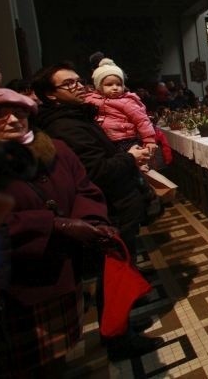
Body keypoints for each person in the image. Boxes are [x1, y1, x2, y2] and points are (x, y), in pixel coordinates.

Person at [0, 88, 118, 372]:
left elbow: (85, 189)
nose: (13, 120)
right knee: (23, 365)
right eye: (0, 115)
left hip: (62, 269)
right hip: (17, 282)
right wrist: (54, 225)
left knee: (55, 358)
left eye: (20, 112)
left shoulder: (56, 149)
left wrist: (91, 220)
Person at [31, 63, 151, 266]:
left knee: (123, 260)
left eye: (79, 81)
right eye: (68, 84)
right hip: (112, 206)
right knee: (118, 266)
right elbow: (96, 171)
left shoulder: (77, 115)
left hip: (118, 203)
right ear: (51, 94)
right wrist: (130, 157)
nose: (78, 86)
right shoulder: (65, 126)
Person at [85, 58, 158, 158]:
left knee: (132, 159)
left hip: (125, 139)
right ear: (99, 86)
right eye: (109, 84)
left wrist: (149, 140)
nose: (115, 87)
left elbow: (142, 120)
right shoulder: (91, 99)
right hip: (103, 139)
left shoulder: (127, 101)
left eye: (119, 84)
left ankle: (140, 166)